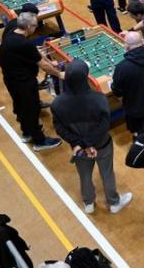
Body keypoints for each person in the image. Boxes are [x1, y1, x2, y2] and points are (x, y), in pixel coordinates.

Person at [52, 59, 133, 214]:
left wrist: (80, 144)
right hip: (101, 144)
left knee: (84, 175)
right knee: (107, 173)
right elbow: (103, 125)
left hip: (78, 149)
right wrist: (88, 143)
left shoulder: (57, 103)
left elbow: (59, 128)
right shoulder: (99, 99)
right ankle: (114, 203)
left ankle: (88, 203)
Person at [0, 12, 62, 150]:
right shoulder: (23, 43)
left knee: (20, 106)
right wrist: (59, 74)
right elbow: (42, 65)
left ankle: (27, 133)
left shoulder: (12, 34)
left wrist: (52, 63)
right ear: (28, 27)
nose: (36, 28)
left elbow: (36, 53)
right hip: (23, 82)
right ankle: (39, 141)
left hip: (10, 79)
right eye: (35, 25)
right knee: (32, 109)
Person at [111, 31, 144, 133]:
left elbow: (117, 91)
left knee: (139, 136)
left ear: (126, 46)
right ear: (142, 42)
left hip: (135, 112)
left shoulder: (121, 68)